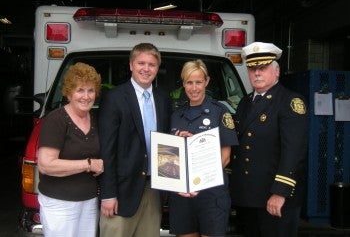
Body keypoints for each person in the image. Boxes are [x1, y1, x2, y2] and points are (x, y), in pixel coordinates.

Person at [230, 41, 309, 237]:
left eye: (263, 68)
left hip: (273, 197)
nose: (256, 73)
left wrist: (280, 192)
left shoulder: (290, 102)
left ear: (277, 71)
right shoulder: (245, 102)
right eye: (252, 69)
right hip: (247, 197)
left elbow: (293, 152)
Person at [98, 43, 171, 237]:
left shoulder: (163, 99)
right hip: (121, 192)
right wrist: (108, 194)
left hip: (153, 190)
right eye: (141, 63)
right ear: (131, 65)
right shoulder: (114, 98)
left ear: (157, 68)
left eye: (152, 64)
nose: (146, 69)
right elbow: (107, 149)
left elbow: (167, 142)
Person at [168, 59, 239, 237]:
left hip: (211, 194)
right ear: (183, 84)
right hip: (182, 195)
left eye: (198, 82)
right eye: (189, 82)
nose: (194, 88)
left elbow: (226, 157)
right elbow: (169, 156)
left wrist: (199, 181)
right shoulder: (176, 115)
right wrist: (175, 143)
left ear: (206, 82)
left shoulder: (220, 112)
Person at [37, 62, 104, 237]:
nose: (86, 96)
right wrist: (88, 164)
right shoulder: (56, 120)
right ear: (68, 92)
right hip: (59, 203)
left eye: (90, 90)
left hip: (88, 201)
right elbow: (46, 165)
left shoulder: (95, 119)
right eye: (80, 90)